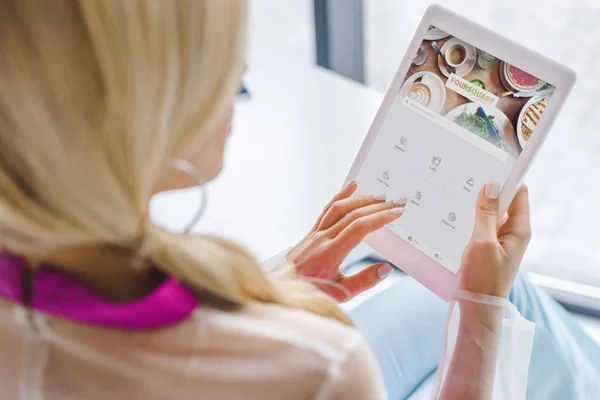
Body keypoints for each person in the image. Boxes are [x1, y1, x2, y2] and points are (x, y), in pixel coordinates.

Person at [0, 1, 598, 399]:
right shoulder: (318, 368)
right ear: (140, 113)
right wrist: (481, 310)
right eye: (218, 67)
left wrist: (277, 286)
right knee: (509, 296)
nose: (241, 70)